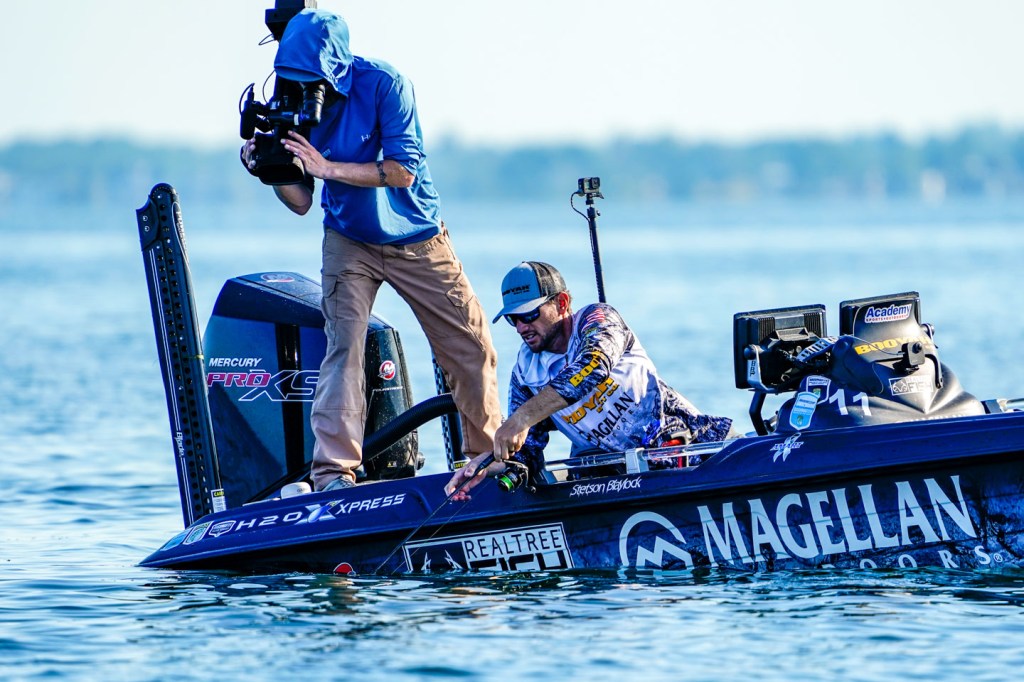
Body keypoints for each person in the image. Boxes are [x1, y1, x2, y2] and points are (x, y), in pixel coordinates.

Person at [241, 9, 502, 492]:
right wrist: (268, 169)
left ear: (334, 68)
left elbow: (403, 170)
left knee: (471, 346)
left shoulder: (385, 84)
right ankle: (333, 474)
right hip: (349, 240)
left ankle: (486, 461)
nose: (302, 85)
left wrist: (328, 168)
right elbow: (301, 202)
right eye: (293, 76)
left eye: (310, 76)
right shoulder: (291, 99)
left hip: (417, 236)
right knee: (343, 350)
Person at [446, 261, 734, 497]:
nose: (521, 328)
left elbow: (593, 366)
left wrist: (521, 418)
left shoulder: (598, 319)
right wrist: (485, 465)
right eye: (513, 319)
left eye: (530, 315)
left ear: (562, 302)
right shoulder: (525, 374)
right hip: (616, 480)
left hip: (694, 451)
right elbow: (527, 450)